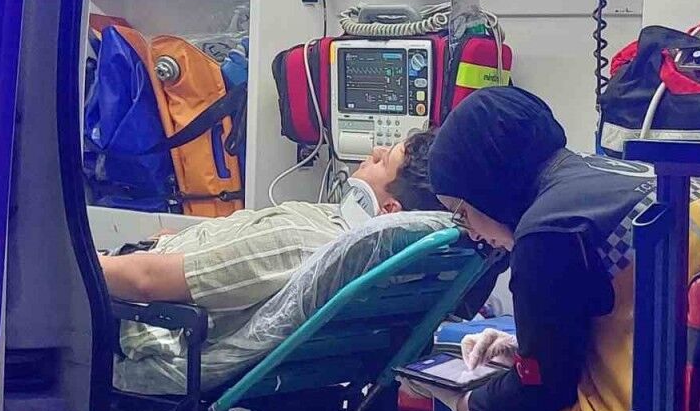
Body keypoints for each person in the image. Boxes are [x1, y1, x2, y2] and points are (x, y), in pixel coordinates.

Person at [398, 87, 700, 411]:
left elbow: (542, 393)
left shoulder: (546, 231)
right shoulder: (631, 175)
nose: (473, 234)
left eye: (462, 213)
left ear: (484, 188)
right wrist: (527, 351)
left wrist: (464, 402)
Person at [103, 130, 445, 367]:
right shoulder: (364, 248)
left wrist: (82, 265)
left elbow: (146, 282)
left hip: (126, 319)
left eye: (384, 161)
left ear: (389, 210)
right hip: (150, 264)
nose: (375, 152)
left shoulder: (298, 241)